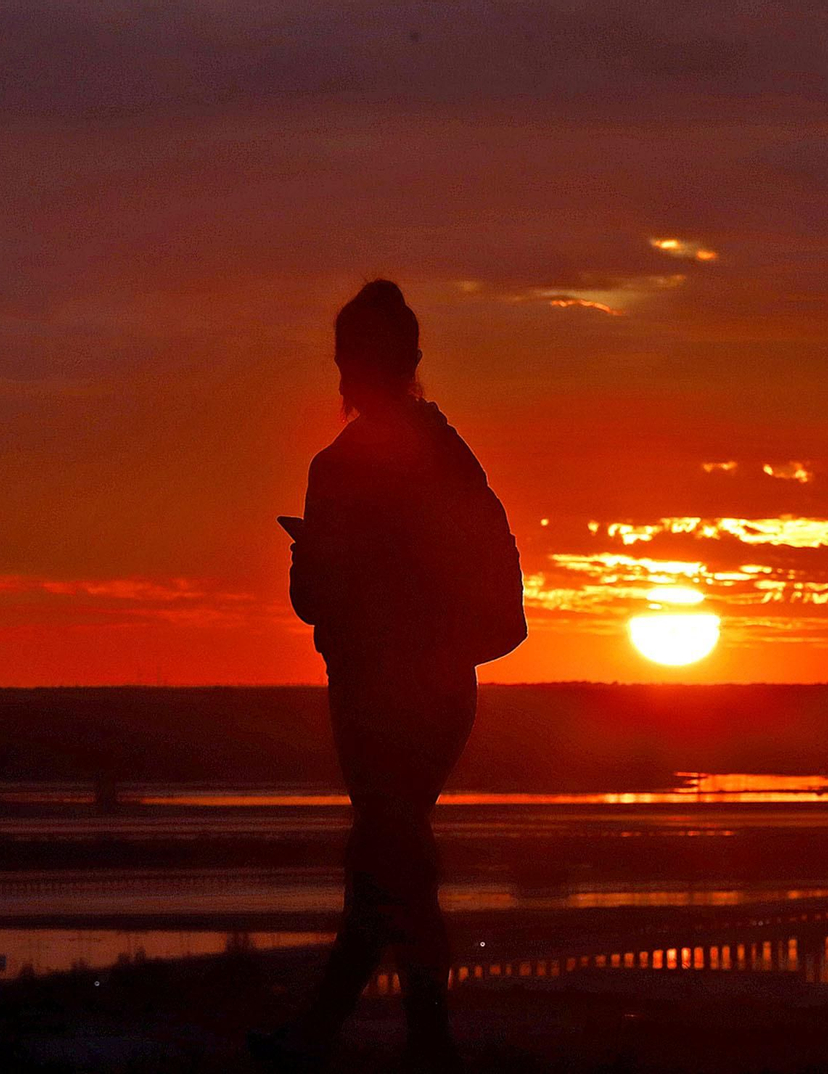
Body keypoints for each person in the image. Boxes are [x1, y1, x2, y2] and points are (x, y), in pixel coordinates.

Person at [252, 280, 526, 1072]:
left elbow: (315, 601)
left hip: (383, 696)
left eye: (350, 356)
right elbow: (493, 584)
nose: (345, 370)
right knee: (390, 856)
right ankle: (374, 1032)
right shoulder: (449, 451)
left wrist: (314, 559)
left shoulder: (342, 466)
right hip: (438, 692)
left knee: (389, 850)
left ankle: (365, 1035)